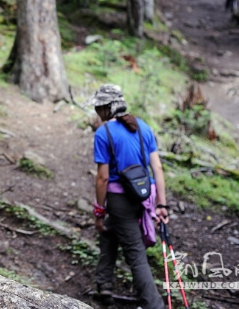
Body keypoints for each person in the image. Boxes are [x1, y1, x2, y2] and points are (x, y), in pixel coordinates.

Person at [87, 84, 169, 309]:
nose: (96, 112)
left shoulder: (103, 133)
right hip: (144, 197)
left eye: (98, 108)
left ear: (107, 108)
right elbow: (157, 169)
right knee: (109, 233)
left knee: (135, 254)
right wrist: (162, 204)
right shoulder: (144, 128)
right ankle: (104, 287)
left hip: (119, 200)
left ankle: (154, 305)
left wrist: (99, 211)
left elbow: (103, 179)